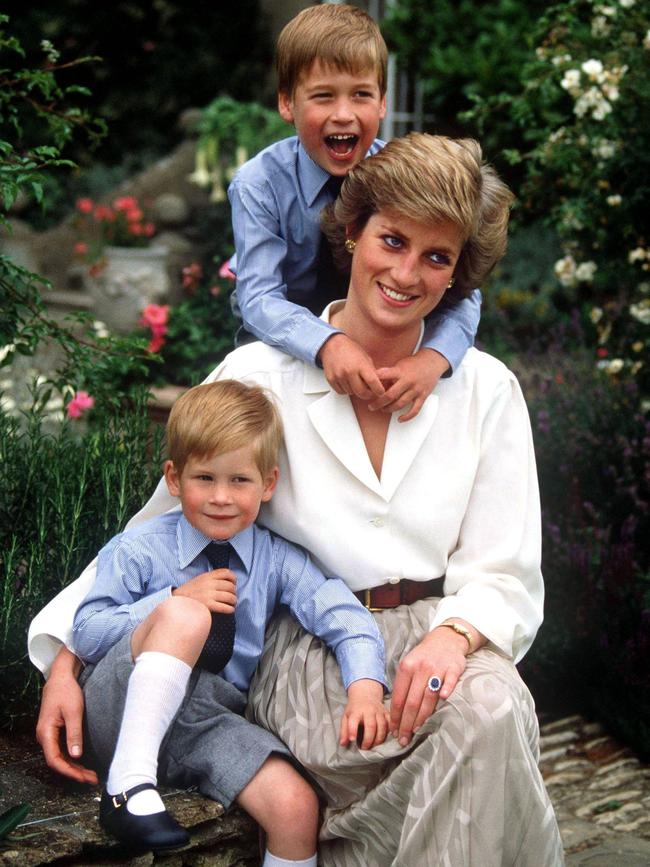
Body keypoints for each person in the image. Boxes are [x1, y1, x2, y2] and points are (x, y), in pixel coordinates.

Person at [29, 133, 565, 865]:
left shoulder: (487, 388)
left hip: (440, 640)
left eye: (436, 257)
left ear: (458, 278)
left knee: (494, 707)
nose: (406, 273)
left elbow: (506, 565)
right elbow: (160, 527)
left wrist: (455, 635)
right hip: (312, 654)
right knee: (475, 752)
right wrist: (65, 659)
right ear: (353, 234)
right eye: (393, 240)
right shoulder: (259, 374)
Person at [69, 380, 388, 864]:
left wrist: (365, 684)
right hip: (119, 704)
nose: (221, 497)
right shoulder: (138, 549)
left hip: (206, 720)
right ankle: (127, 789)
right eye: (205, 479)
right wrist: (168, 602)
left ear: (269, 483)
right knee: (185, 614)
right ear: (174, 480)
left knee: (295, 805)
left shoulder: (276, 560)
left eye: (239, 480)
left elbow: (343, 614)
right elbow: (88, 633)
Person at [228, 3, 483, 422]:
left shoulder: (403, 176)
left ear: (383, 103)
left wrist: (434, 359)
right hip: (282, 349)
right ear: (287, 104)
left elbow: (464, 287)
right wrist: (327, 342)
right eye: (323, 95)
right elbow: (258, 298)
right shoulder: (259, 184)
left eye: (361, 95)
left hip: (385, 348)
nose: (343, 113)